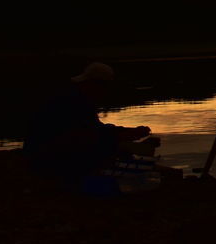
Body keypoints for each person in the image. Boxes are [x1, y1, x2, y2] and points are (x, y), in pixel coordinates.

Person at [22, 62, 161, 193]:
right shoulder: (73, 102)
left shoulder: (77, 99)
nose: (106, 92)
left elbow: (96, 129)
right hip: (47, 158)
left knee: (111, 147)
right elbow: (85, 136)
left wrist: (126, 132)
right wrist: (124, 136)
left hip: (43, 155)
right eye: (105, 87)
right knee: (106, 150)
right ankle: (68, 178)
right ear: (96, 84)